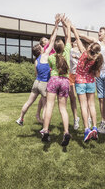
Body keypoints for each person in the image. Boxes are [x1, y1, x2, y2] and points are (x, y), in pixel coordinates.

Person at [16, 14, 61, 126]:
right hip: (44, 84)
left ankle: (20, 118)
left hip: (36, 83)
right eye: (41, 47)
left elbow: (36, 73)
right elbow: (52, 40)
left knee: (29, 102)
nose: (43, 48)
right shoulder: (45, 55)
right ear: (40, 50)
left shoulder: (36, 61)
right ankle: (45, 128)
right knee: (46, 106)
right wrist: (56, 25)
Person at [41, 15, 72, 147]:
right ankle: (66, 132)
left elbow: (52, 40)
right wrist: (67, 26)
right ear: (64, 47)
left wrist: (56, 25)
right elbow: (68, 37)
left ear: (54, 47)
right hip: (65, 81)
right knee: (63, 109)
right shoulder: (67, 52)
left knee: (49, 106)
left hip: (53, 80)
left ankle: (46, 130)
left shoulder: (51, 57)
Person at [71, 24, 104, 142]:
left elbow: (77, 37)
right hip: (90, 82)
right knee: (92, 106)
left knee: (83, 106)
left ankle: (86, 130)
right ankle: (94, 127)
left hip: (80, 82)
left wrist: (71, 27)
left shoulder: (84, 53)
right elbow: (97, 75)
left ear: (90, 48)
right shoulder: (98, 59)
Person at [69, 41, 81, 130]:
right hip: (71, 75)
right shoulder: (70, 50)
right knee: (72, 97)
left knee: (82, 98)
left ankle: (88, 118)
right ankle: (75, 118)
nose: (75, 42)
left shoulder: (82, 51)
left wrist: (77, 56)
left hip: (80, 75)